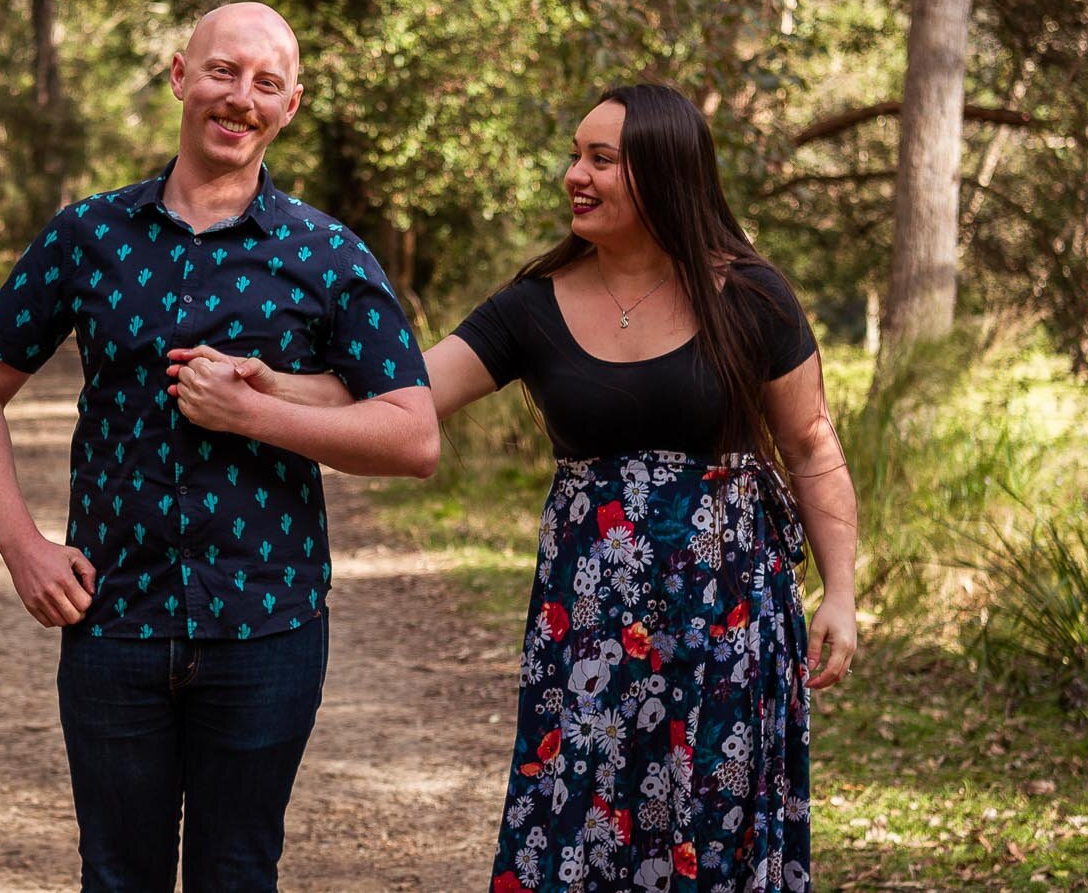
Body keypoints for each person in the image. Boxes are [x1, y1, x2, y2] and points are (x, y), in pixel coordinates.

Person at [168, 82, 857, 893]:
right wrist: (269, 387)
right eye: (576, 153)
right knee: (580, 816)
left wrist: (841, 590)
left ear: (665, 173)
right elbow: (406, 393)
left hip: (728, 620)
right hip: (590, 628)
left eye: (602, 158)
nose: (576, 173)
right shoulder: (534, 305)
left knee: (713, 815)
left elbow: (811, 444)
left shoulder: (752, 295)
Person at [0, 1, 439, 893]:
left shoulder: (327, 254)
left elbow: (412, 433)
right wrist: (22, 548)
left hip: (268, 625)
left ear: (291, 105)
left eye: (266, 83)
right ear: (179, 75)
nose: (240, 97)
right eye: (222, 71)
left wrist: (255, 412)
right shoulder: (87, 234)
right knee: (117, 876)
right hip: (114, 620)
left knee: (237, 875)